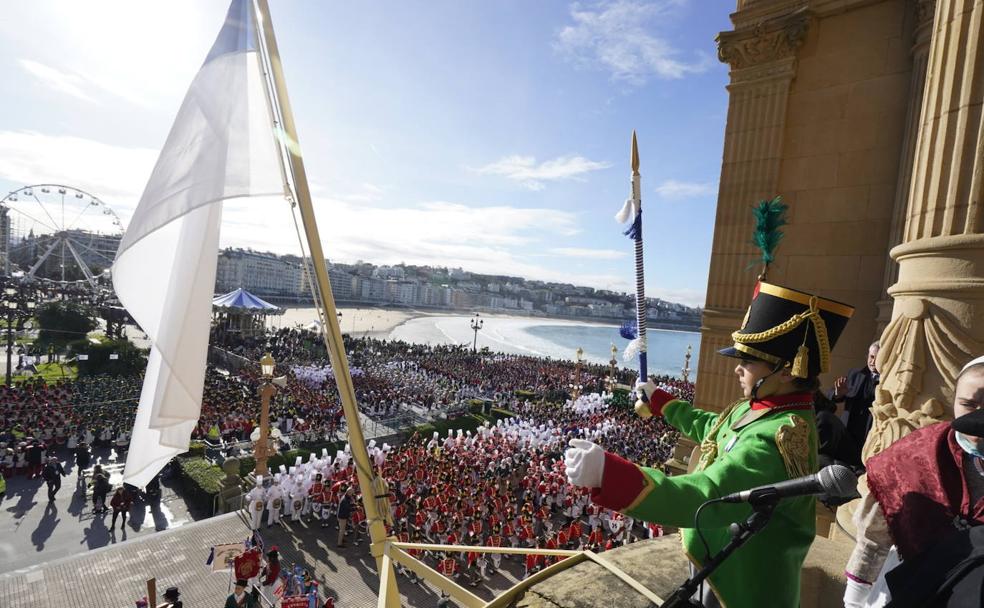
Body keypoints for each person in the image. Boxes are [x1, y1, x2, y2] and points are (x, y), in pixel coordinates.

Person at [566, 281, 853, 608]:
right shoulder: (767, 407)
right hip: (721, 564)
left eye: (748, 361)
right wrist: (663, 402)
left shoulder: (779, 437)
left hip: (741, 586)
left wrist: (613, 475)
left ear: (787, 370)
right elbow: (716, 431)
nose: (737, 368)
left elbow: (711, 494)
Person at [843, 355, 984, 607]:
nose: (978, 416)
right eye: (968, 404)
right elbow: (873, 538)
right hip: (906, 587)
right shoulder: (915, 454)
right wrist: (854, 600)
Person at [829, 341, 880, 466]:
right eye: (871, 357)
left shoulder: (888, 380)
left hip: (869, 434)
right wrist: (838, 393)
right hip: (848, 430)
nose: (873, 362)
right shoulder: (856, 374)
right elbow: (833, 396)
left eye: (877, 358)